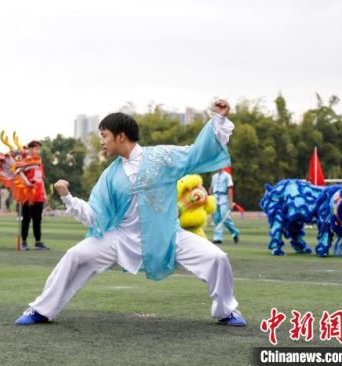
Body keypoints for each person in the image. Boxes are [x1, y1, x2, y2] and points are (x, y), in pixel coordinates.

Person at [15, 100, 246, 327]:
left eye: (104, 135)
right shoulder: (110, 176)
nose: (102, 142)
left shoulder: (162, 157)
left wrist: (219, 118)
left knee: (217, 258)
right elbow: (95, 216)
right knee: (75, 256)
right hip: (120, 239)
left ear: (121, 136)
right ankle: (42, 310)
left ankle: (226, 311)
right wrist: (67, 197)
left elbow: (197, 153)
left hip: (166, 236)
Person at [20, 140, 49, 250]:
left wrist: (44, 194)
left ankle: (38, 242)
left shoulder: (40, 164)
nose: (38, 151)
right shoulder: (25, 162)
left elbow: (41, 180)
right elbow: (20, 178)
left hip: (39, 196)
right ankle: (24, 242)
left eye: (39, 149)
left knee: (37, 220)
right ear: (30, 149)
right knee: (26, 219)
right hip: (28, 196)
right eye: (36, 148)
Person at [209, 168, 240, 244]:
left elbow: (230, 189)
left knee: (225, 218)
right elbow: (211, 189)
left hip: (224, 198)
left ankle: (234, 232)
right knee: (216, 218)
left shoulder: (227, 176)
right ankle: (217, 237)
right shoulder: (214, 176)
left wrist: (230, 202)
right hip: (215, 198)